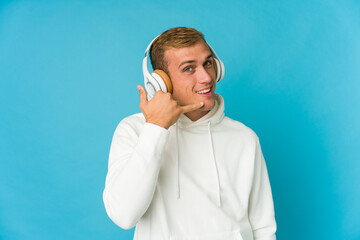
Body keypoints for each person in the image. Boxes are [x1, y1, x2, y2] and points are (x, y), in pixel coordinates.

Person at [103, 27, 277, 240]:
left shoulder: (245, 138)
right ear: (161, 82)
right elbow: (124, 216)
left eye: (208, 63)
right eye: (188, 69)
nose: (206, 77)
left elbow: (263, 228)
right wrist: (156, 129)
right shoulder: (135, 130)